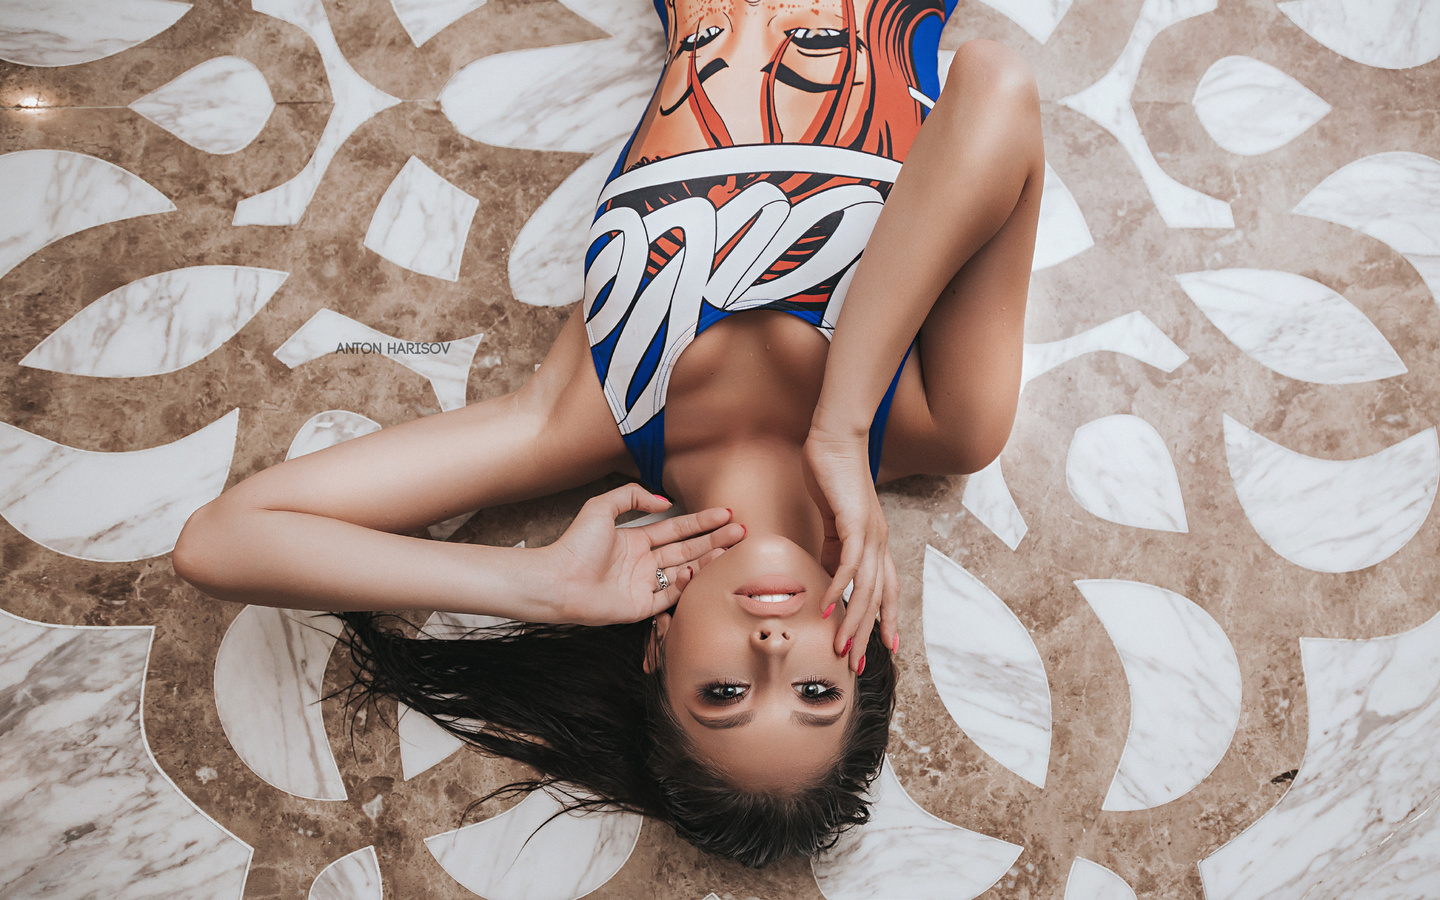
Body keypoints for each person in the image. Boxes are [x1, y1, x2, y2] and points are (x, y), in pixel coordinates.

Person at [172, 0, 1042, 864]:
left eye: (727, 691)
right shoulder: (936, 422)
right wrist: (842, 430)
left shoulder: (588, 417)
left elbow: (222, 541)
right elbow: (994, 85)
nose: (773, 649)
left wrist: (541, 585)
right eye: (815, 690)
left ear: (659, 650)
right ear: (868, 654)